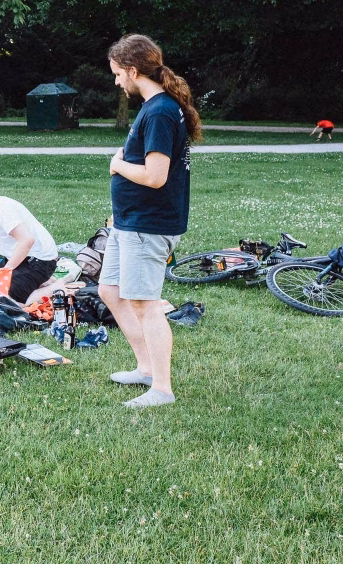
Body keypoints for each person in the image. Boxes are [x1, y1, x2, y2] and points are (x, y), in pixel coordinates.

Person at [103, 33, 201, 409]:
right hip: (130, 221)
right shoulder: (154, 107)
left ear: (132, 70)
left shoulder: (160, 110)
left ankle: (162, 388)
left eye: (117, 74)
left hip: (149, 224)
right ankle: (145, 368)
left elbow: (156, 175)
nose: (116, 82)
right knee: (110, 291)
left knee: (144, 302)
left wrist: (116, 165)